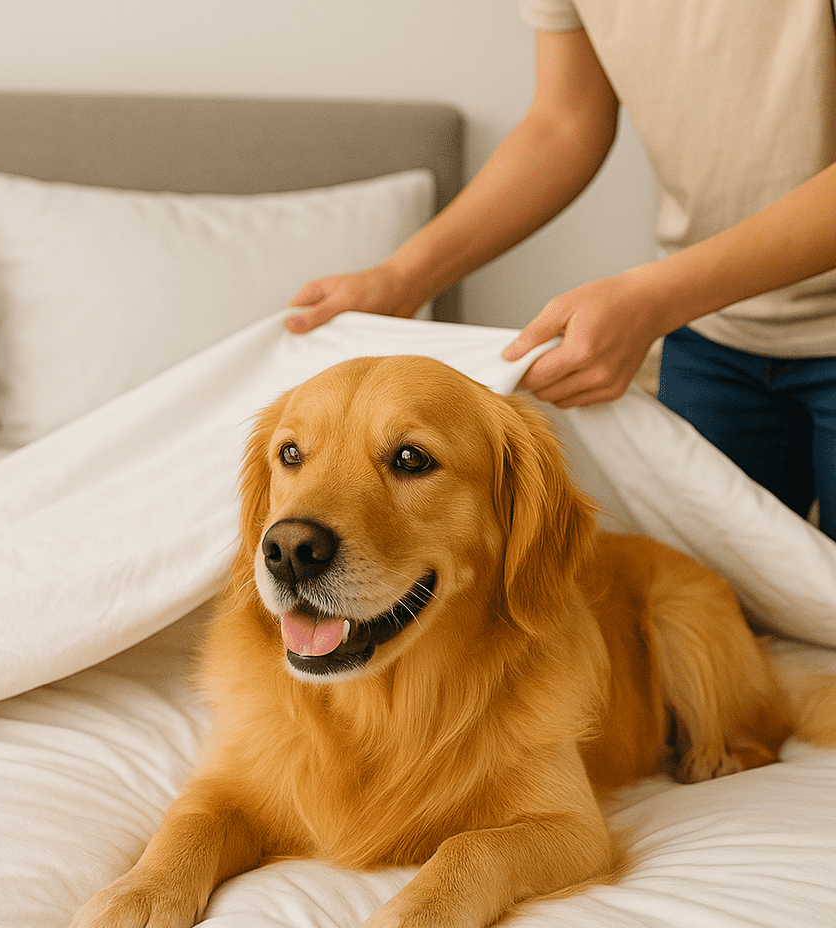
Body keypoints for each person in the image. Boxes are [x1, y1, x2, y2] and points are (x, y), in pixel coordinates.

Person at [284, 2, 836, 541]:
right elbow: (565, 121)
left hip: (710, 308)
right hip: (714, 333)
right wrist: (403, 278)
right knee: (732, 611)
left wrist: (656, 299)